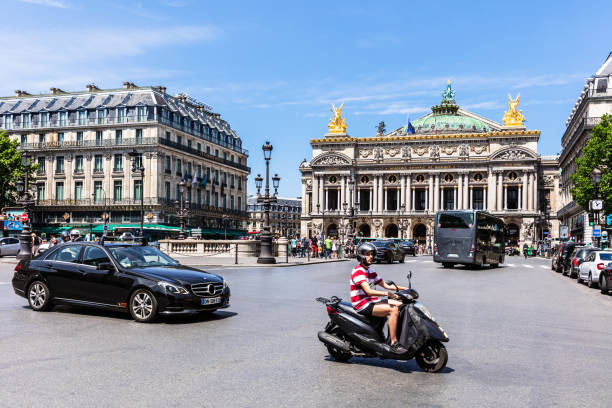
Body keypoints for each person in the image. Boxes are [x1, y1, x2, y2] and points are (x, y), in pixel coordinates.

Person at [351, 242, 408, 353]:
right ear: (361, 255)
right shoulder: (358, 271)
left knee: (401, 305)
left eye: (372, 254)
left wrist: (404, 289)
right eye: (368, 254)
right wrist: (387, 294)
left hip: (371, 301)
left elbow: (386, 285)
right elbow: (368, 291)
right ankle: (393, 343)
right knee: (393, 309)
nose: (371, 257)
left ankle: (398, 335)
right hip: (362, 304)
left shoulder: (370, 270)